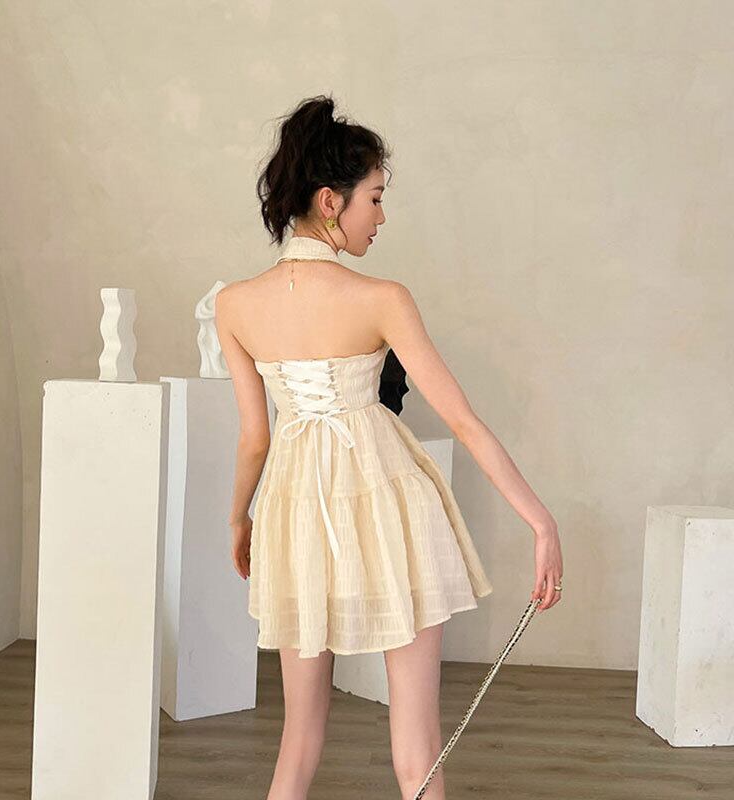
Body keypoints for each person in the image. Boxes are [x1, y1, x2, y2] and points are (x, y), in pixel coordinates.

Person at [215, 94, 564, 800]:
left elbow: (256, 438)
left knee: (297, 742)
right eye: (374, 198)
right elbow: (464, 422)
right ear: (330, 201)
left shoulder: (235, 304)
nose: (381, 216)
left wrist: (239, 518)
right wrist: (541, 521)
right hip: (390, 505)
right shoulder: (382, 298)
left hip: (293, 510)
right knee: (419, 750)